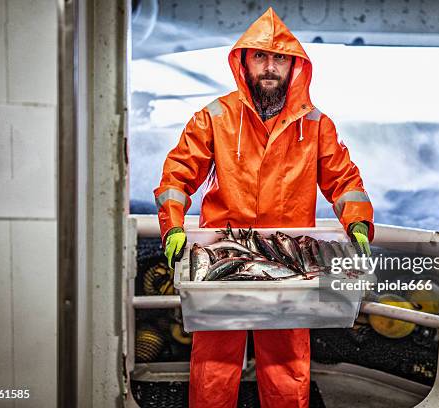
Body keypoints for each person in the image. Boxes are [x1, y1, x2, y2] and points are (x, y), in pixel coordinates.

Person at [153, 7, 374, 408]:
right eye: (260, 56)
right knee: (215, 363)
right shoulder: (214, 118)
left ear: (294, 66)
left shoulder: (317, 125)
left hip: (290, 262)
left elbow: (345, 184)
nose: (269, 67)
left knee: (287, 363)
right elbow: (177, 178)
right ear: (243, 62)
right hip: (222, 255)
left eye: (279, 58)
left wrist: (358, 223)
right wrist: (172, 227)